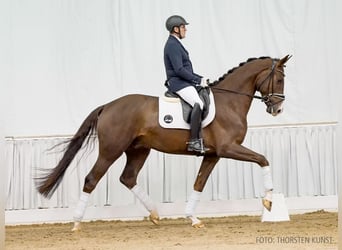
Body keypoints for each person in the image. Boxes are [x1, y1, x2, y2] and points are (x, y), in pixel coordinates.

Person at [163, 15, 209, 154]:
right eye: (183, 27)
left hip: (184, 81)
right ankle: (194, 141)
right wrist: (197, 80)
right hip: (179, 83)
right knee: (198, 104)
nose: (186, 30)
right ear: (176, 29)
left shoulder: (175, 43)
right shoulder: (172, 44)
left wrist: (200, 78)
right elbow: (179, 69)